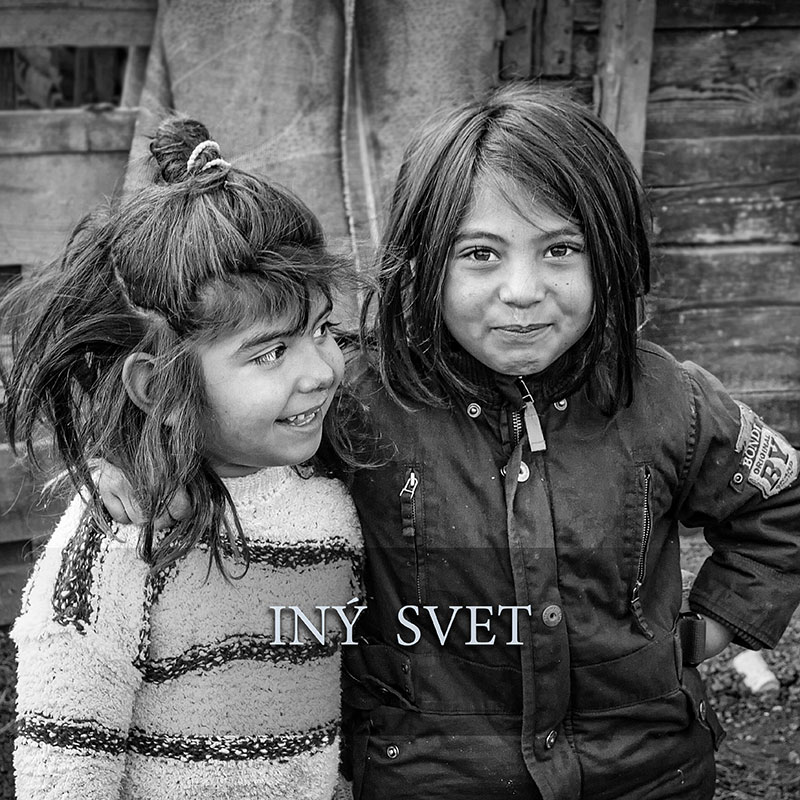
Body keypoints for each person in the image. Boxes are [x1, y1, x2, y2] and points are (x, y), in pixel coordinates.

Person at [94, 84, 800, 800]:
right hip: (427, 776)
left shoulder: (667, 398)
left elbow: (781, 502)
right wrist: (133, 463)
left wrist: (710, 628)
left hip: (647, 773)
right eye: (481, 254)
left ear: (611, 254)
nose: (522, 290)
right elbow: (224, 426)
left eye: (561, 249)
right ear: (424, 261)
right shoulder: (355, 400)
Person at [1, 116, 367, 800]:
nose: (321, 371)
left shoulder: (328, 497)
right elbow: (65, 771)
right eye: (270, 352)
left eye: (322, 329)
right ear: (159, 388)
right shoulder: (120, 537)